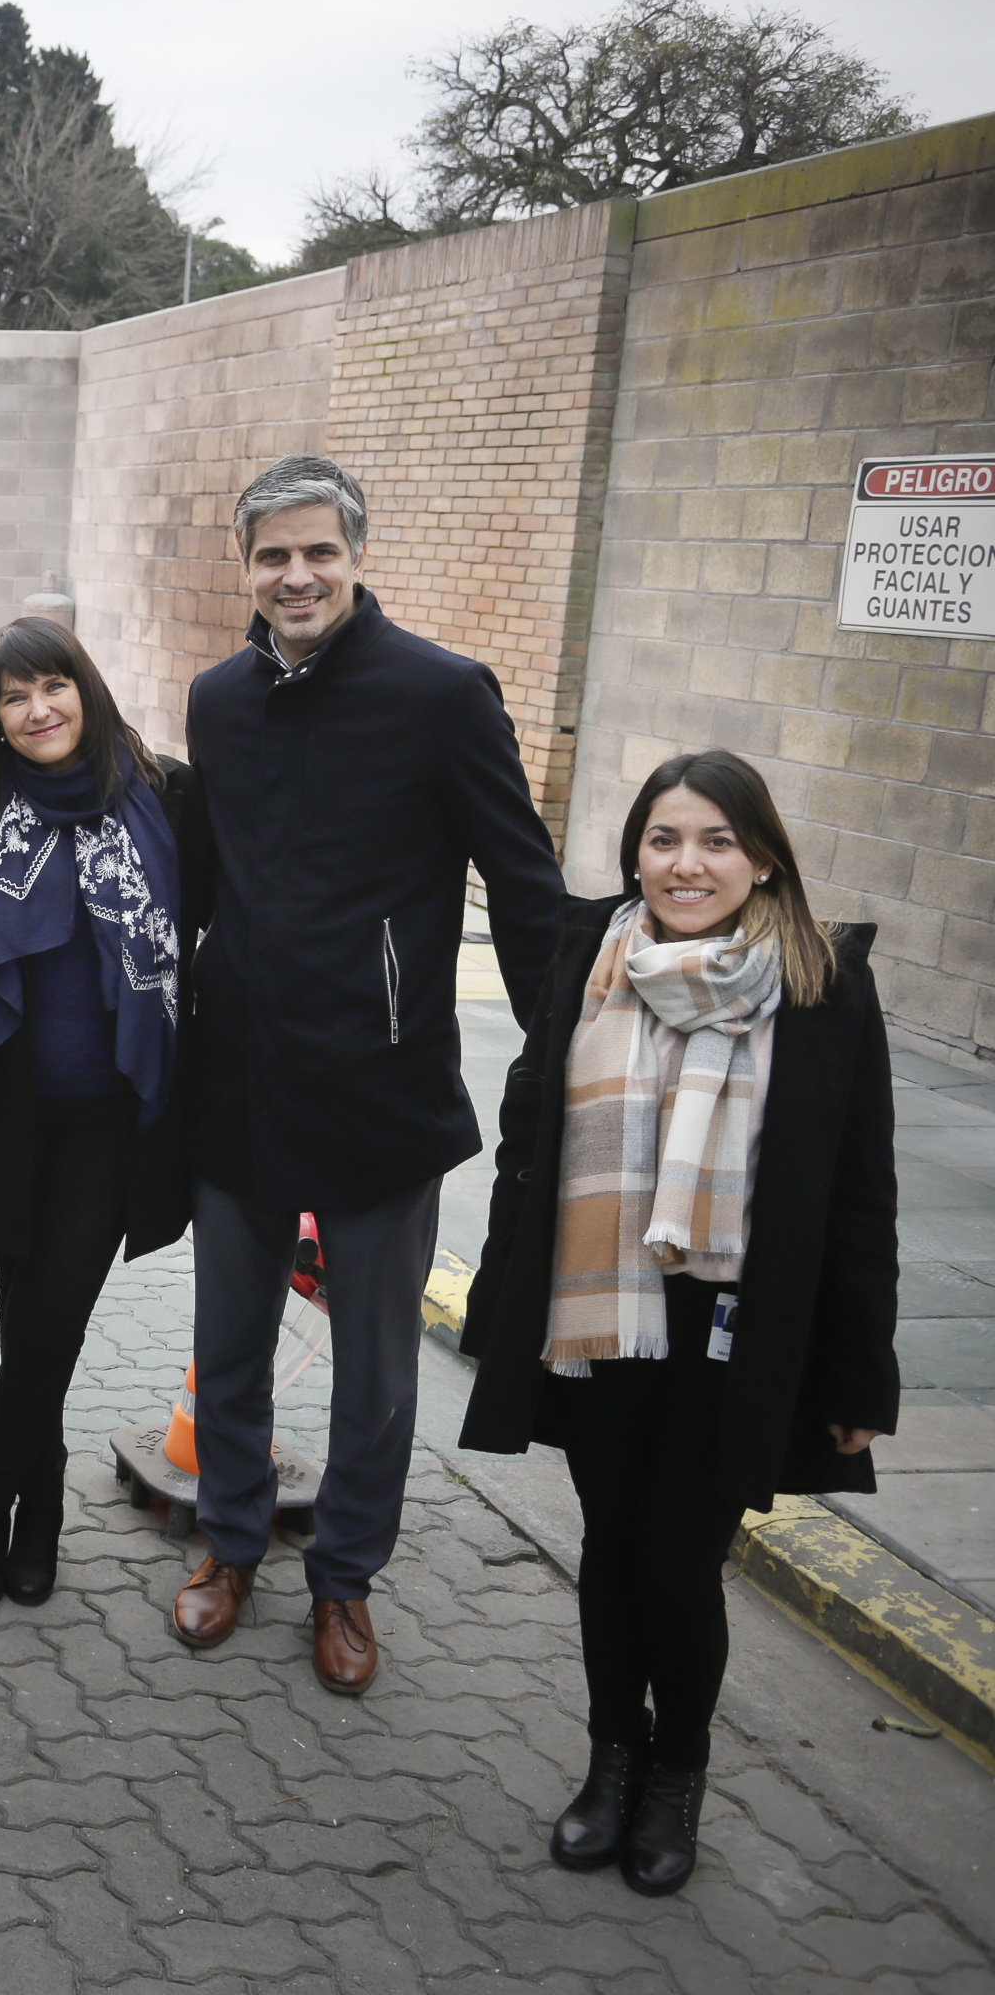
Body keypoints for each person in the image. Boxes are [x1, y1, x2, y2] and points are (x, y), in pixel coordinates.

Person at [460, 750, 894, 1897]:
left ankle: (677, 1773)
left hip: (735, 1324)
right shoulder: (592, 950)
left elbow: (859, 1191)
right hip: (602, 1305)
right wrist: (500, 1301)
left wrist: (860, 1380)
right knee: (610, 1543)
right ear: (634, 851)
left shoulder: (821, 981)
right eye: (664, 839)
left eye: (713, 840)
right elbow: (527, 1141)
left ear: (760, 857)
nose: (686, 862)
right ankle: (611, 1757)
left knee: (679, 1559)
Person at [168, 454, 564, 1693]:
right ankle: (230, 1542)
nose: (296, 574)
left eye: (318, 552)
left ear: (355, 556)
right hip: (236, 1074)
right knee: (227, 1343)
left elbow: (526, 879)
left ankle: (344, 1576)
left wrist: (563, 1046)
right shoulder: (218, 698)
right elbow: (203, 876)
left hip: (381, 1084)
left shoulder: (444, 694)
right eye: (272, 555)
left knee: (377, 1369)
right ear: (246, 567)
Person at [0, 618, 194, 1609]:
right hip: (7, 1114)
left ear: (86, 687)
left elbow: (210, 923)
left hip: (108, 1121)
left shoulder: (162, 794)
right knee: (23, 1323)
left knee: (52, 1328)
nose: (38, 709)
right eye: (13, 695)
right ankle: (40, 1501)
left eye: (54, 685)